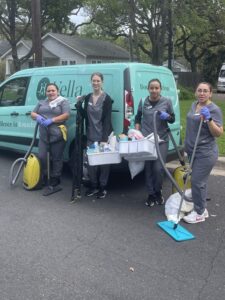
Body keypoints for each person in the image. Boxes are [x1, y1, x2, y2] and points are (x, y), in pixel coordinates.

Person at [183, 82, 223, 224]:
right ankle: (202, 208)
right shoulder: (194, 105)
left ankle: (199, 213)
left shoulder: (214, 109)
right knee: (201, 183)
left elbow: (218, 133)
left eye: (205, 91)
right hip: (193, 150)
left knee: (196, 181)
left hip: (205, 153)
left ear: (210, 93)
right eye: (199, 90)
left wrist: (209, 119)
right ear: (195, 92)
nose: (202, 93)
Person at [135, 78, 175, 207]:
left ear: (160, 89)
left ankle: (158, 191)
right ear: (148, 89)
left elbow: (172, 119)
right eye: (151, 88)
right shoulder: (143, 101)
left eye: (156, 88)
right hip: (147, 141)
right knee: (148, 168)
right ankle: (151, 194)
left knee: (158, 168)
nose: (154, 90)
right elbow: (138, 117)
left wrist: (167, 117)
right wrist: (137, 132)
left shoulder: (166, 102)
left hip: (161, 139)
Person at [76, 72, 113, 199]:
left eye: (98, 81)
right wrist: (78, 104)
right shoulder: (88, 98)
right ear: (91, 82)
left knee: (104, 164)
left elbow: (107, 119)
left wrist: (104, 139)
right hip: (91, 135)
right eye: (94, 81)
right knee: (91, 162)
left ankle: (102, 188)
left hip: (103, 136)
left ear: (102, 82)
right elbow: (85, 116)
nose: (95, 83)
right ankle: (93, 186)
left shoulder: (107, 98)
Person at [31, 83, 70, 195]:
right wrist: (37, 117)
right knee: (42, 156)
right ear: (46, 92)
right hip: (43, 136)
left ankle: (55, 179)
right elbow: (33, 113)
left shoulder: (63, 101)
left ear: (57, 91)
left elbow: (66, 115)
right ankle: (45, 175)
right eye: (48, 91)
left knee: (57, 158)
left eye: (53, 90)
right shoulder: (42, 102)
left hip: (57, 135)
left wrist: (52, 120)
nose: (51, 93)